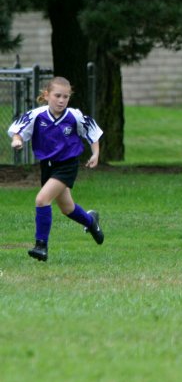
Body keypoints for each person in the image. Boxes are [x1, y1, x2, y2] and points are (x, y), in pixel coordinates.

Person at [7, 76, 104, 262]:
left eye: (65, 97)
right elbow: (18, 130)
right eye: (57, 95)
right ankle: (91, 221)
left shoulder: (74, 115)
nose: (61, 100)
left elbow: (92, 131)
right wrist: (17, 140)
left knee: (42, 200)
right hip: (48, 166)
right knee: (67, 208)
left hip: (67, 165)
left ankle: (41, 246)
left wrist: (95, 154)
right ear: (47, 95)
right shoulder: (38, 115)